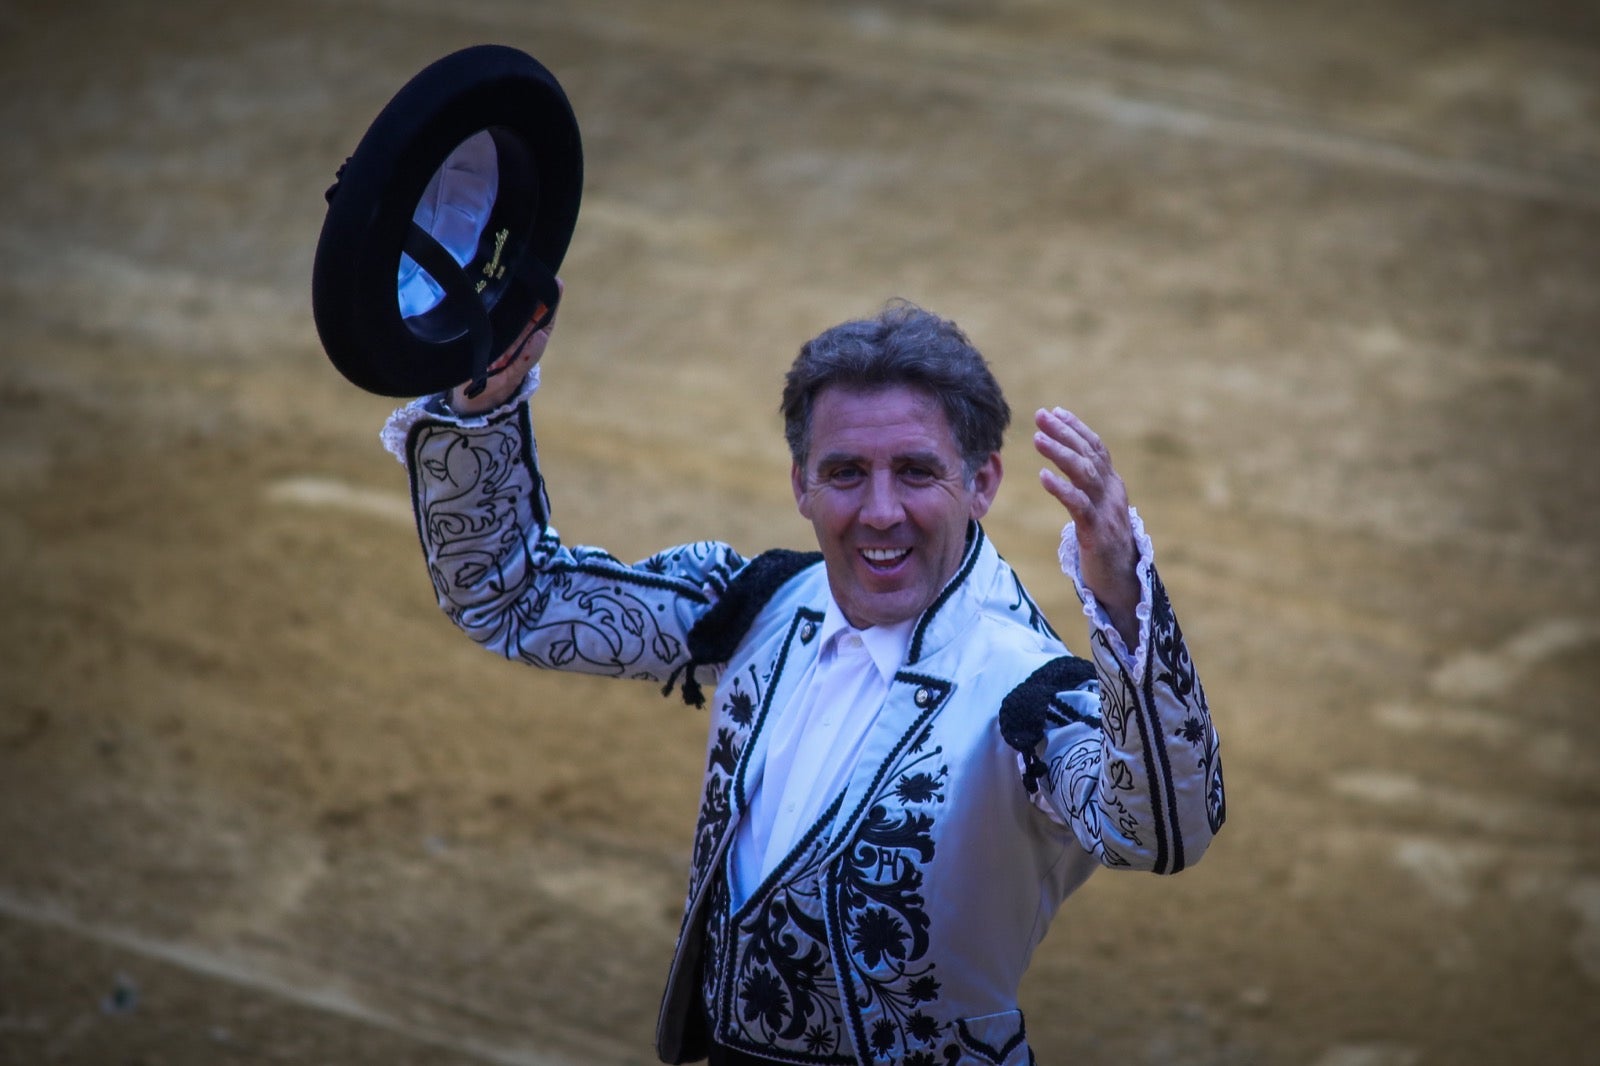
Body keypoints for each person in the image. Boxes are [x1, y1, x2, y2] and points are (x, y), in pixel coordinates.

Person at [380, 287, 1224, 1066]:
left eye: (918, 472)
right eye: (847, 473)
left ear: (983, 483)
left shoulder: (1028, 693)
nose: (881, 511)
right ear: (801, 485)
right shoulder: (762, 608)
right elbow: (516, 597)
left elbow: (1160, 831)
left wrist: (1122, 598)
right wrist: (480, 408)